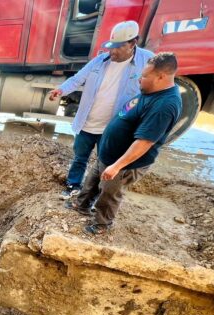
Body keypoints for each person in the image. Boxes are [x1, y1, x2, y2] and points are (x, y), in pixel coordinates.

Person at [66, 52, 182, 235]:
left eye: (144, 76)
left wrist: (117, 166)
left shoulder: (165, 105)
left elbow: (144, 142)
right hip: (110, 154)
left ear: (161, 77)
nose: (139, 80)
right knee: (92, 181)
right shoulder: (152, 91)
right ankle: (81, 205)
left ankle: (102, 224)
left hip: (125, 163)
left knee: (109, 193)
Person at [49, 21, 154, 198]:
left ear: (133, 43)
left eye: (118, 47)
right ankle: (73, 185)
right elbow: (77, 79)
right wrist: (61, 90)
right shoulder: (99, 61)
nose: (112, 52)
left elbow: (157, 85)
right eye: (111, 47)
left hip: (114, 127)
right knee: (80, 157)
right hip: (88, 122)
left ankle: (95, 194)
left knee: (105, 162)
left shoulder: (147, 61)